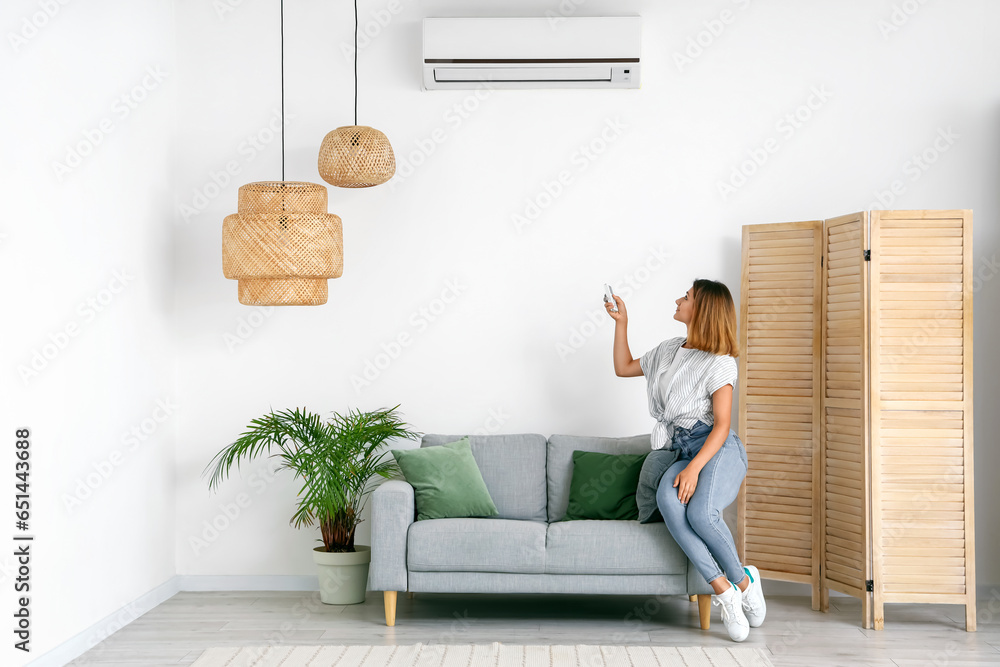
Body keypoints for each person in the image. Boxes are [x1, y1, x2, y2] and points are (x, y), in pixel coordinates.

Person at [605, 279, 766, 642]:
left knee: (700, 513)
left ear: (703, 309)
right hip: (681, 447)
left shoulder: (720, 362)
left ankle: (744, 581)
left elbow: (722, 425)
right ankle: (725, 590)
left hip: (716, 448)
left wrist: (694, 468)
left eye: (687, 297)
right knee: (668, 500)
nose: (678, 299)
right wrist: (621, 324)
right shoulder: (668, 350)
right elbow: (623, 367)